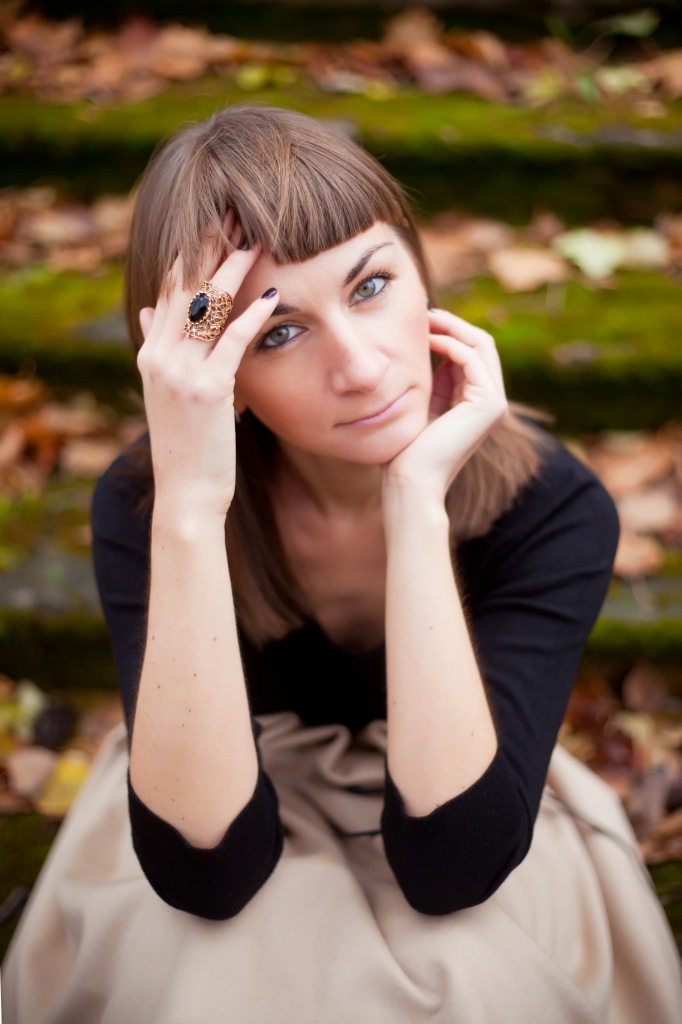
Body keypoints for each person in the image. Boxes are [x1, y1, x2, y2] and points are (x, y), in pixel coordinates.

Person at [3, 105, 681, 1024]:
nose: (361, 367)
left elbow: (453, 867)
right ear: (213, 370)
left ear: (421, 270)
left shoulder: (552, 507)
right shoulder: (148, 506)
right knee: (206, 974)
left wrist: (417, 503)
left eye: (371, 285)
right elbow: (208, 876)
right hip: (216, 769)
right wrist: (191, 512)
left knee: (471, 973)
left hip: (469, 773)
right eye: (277, 333)